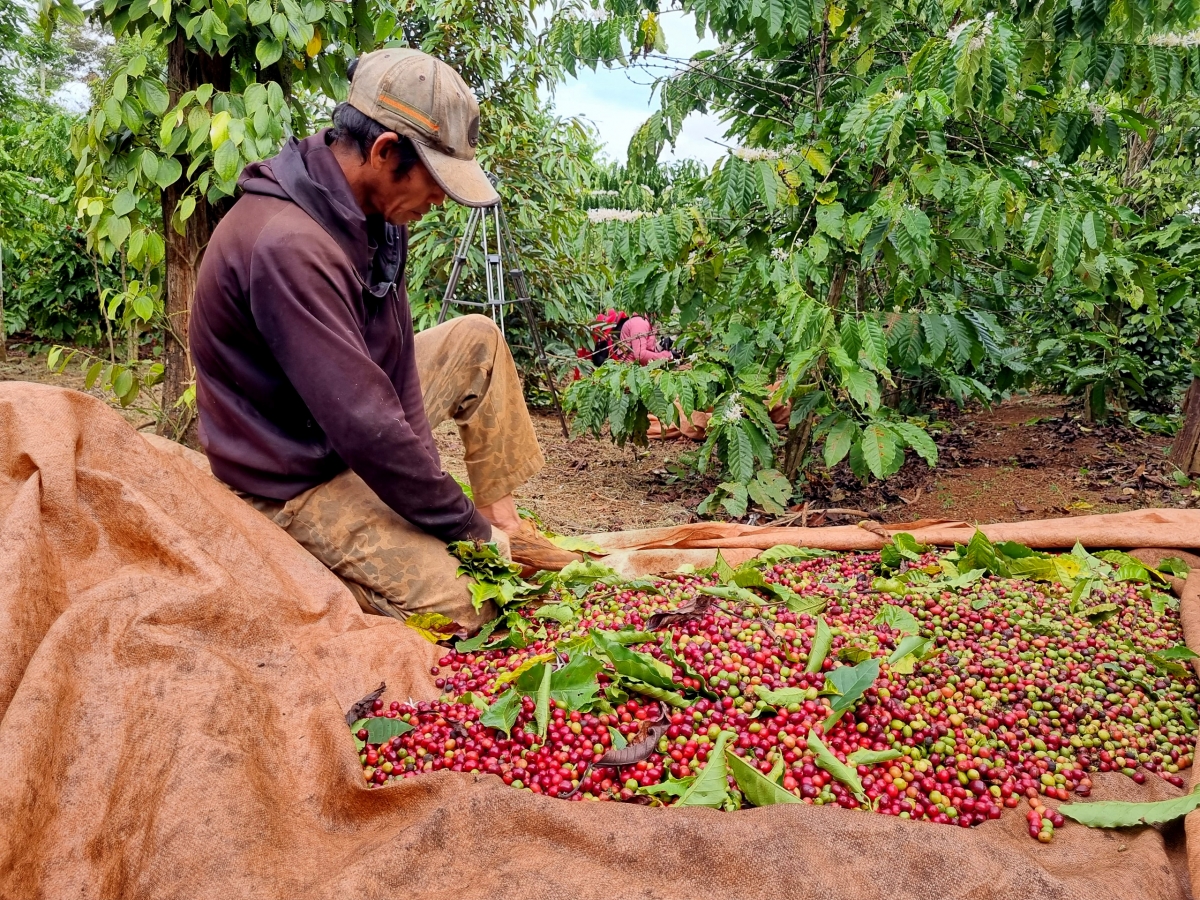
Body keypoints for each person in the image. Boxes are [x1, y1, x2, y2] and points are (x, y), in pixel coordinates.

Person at [189, 48, 581, 633]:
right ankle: (311, 568)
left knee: (478, 339)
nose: (440, 200)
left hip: (340, 428)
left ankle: (509, 525)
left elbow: (395, 373)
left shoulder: (374, 214)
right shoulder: (289, 245)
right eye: (436, 181)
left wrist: (468, 524)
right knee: (473, 605)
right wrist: (465, 533)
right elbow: (367, 427)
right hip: (292, 478)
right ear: (384, 151)